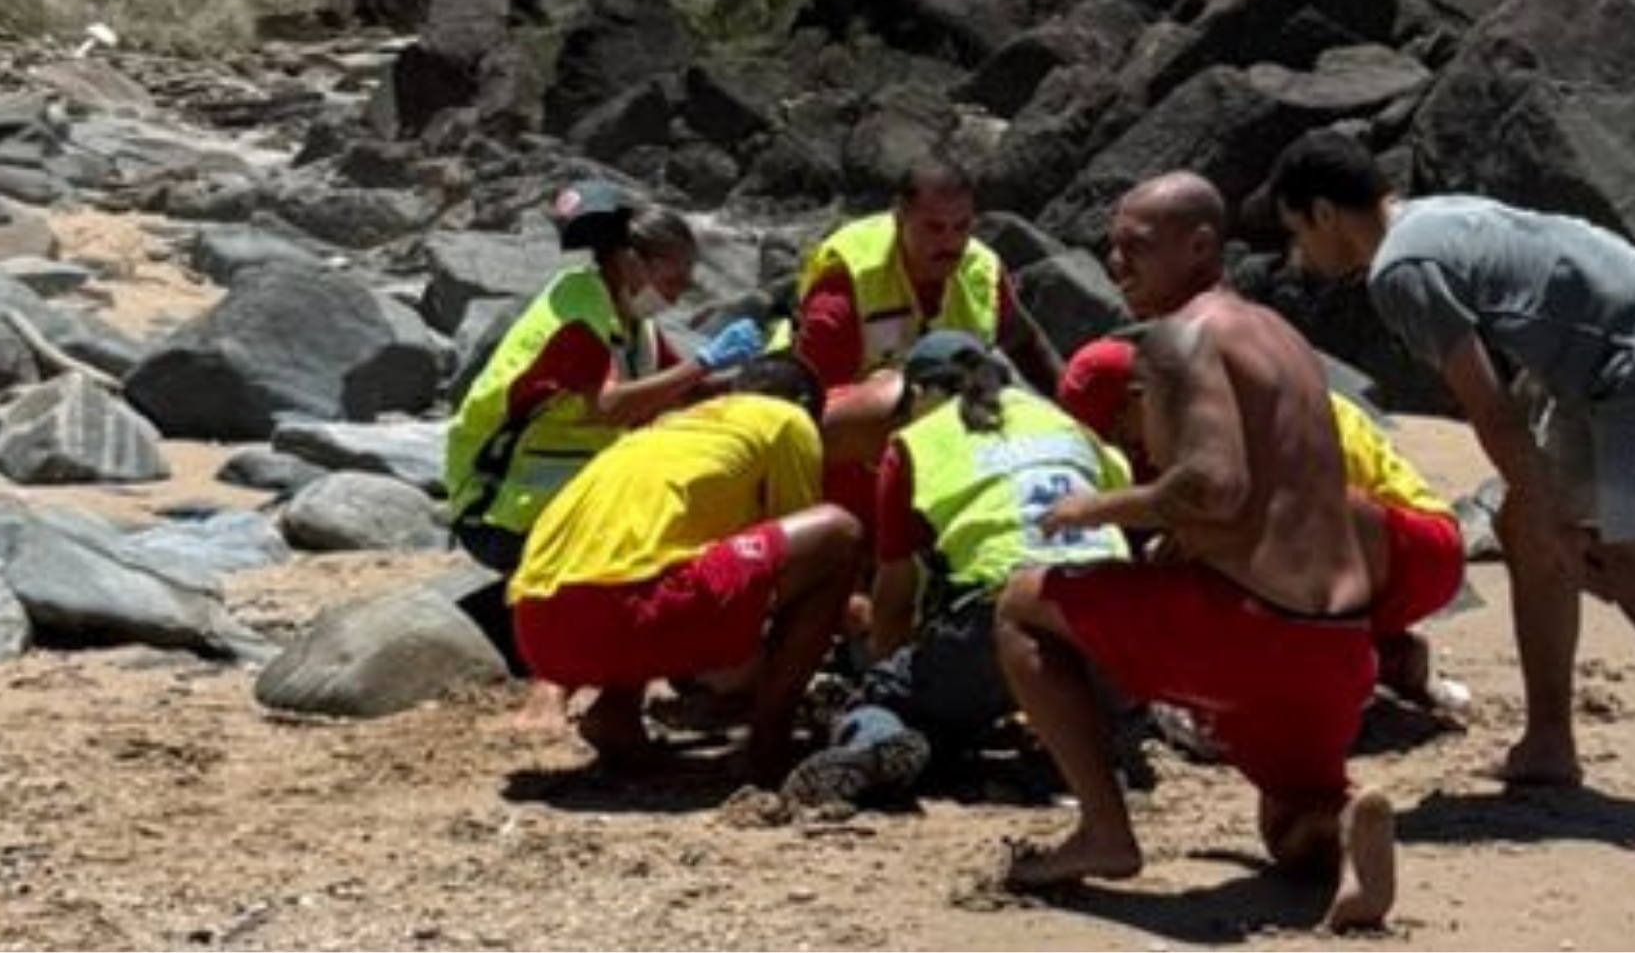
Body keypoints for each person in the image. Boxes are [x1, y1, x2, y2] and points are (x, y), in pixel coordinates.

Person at [1269, 136, 1635, 855]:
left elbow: (1489, 407)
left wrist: (1559, 515)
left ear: (1322, 212)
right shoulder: (1420, 217)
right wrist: (1543, 513)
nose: (1295, 255)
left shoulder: (1401, 270)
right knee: (1523, 528)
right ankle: (1549, 742)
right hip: (1596, 360)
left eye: (1294, 233)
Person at [994, 172, 1394, 931]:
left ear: (1201, 245)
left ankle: (1103, 831)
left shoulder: (1181, 336)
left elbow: (1212, 484)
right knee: (1284, 821)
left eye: (1136, 247)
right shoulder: (1280, 335)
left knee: (1020, 603)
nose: (1115, 263)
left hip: (1252, 629)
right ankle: (1341, 821)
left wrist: (1096, 506)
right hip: (1339, 646)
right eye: (1110, 247)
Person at [783, 328, 1131, 809]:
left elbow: (895, 598)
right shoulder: (1064, 423)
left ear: (922, 392)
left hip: (1005, 614)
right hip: (1117, 620)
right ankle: (1091, 744)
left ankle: (872, 741)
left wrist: (890, 667)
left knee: (889, 697)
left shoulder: (915, 441)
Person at [1063, 332, 1468, 722]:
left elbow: (1284, 508)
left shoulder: (1230, 414)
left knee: (1232, 536)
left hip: (1421, 549)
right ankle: (1387, 652)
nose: (1132, 453)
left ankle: (1333, 673)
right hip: (1377, 567)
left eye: (1120, 435)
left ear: (1140, 400)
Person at [504, 352, 867, 787]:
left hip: (539, 633)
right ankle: (769, 745)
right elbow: (806, 559)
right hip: (629, 620)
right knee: (839, 533)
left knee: (656, 552)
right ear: (804, 403)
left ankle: (615, 715)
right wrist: (856, 613)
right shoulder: (788, 418)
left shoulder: (668, 429)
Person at [438, 191, 738, 665]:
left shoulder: (632, 322)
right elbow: (609, 407)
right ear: (630, 262)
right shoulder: (576, 319)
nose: (681, 291)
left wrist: (752, 380)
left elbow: (682, 391)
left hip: (555, 500)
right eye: (674, 278)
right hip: (498, 509)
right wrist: (704, 362)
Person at [796, 150, 1062, 524]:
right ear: (900, 217)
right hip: (850, 428)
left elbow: (1023, 339)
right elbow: (814, 416)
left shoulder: (981, 269)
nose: (950, 243)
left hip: (940, 421)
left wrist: (1075, 412)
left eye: (961, 227)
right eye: (934, 228)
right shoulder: (848, 285)